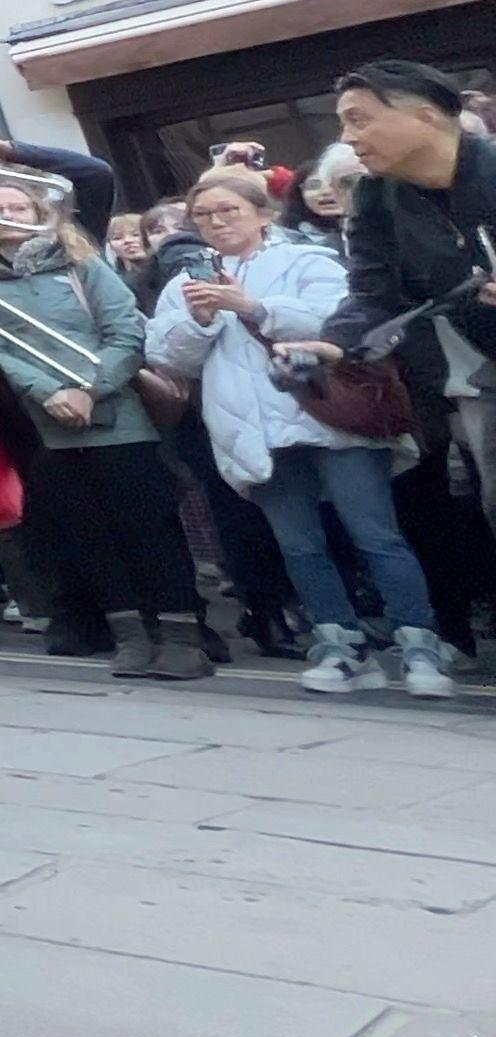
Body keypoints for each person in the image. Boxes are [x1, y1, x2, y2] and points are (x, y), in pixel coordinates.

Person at [149, 168, 451, 699]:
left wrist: (256, 308)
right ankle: (341, 646)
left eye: (229, 211)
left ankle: (421, 645)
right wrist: (197, 321)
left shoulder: (308, 260)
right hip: (251, 425)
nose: (216, 222)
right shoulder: (184, 283)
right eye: (204, 215)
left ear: (262, 213)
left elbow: (342, 322)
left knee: (376, 534)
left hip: (329, 413)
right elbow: (167, 359)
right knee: (299, 544)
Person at [0, 180, 210, 681]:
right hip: (43, 426)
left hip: (118, 421)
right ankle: (130, 634)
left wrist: (91, 390)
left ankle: (181, 635)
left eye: (18, 205)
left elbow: (126, 332)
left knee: (151, 529)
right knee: (89, 535)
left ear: (38, 210)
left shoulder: (83, 266)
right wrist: (48, 391)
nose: (8, 214)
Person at [328, 62, 496, 664]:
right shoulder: (376, 196)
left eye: (360, 119)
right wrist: (334, 343)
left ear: (425, 113)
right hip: (481, 378)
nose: (349, 137)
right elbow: (372, 292)